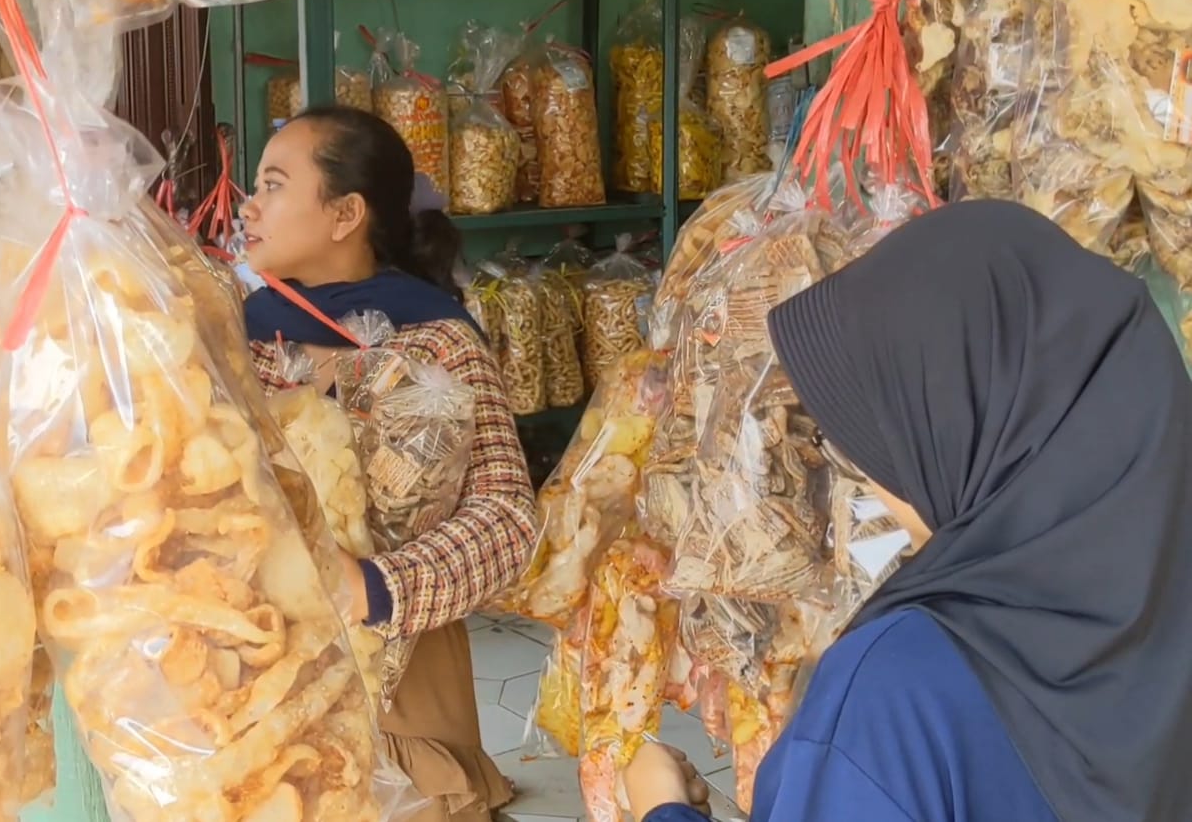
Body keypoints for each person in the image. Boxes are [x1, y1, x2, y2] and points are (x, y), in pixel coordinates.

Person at [625, 200, 1192, 821]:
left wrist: (663, 809)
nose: (865, 470)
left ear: (967, 435)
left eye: (878, 436)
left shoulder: (892, 695)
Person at [239, 106, 535, 822]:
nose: (250, 206)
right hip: (264, 662)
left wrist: (372, 585)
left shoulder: (434, 342)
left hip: (400, 674)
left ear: (344, 213)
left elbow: (507, 519)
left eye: (274, 185)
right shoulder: (234, 335)